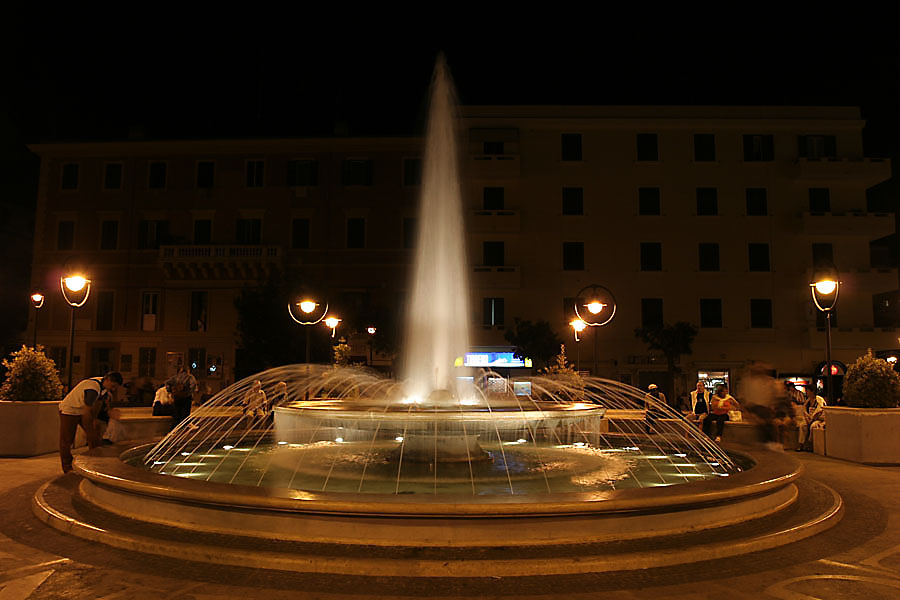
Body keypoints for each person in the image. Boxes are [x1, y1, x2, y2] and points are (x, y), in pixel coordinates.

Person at [58, 372, 123, 473]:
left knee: (94, 436)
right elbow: (86, 411)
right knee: (67, 440)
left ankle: (94, 461)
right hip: (69, 410)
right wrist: (91, 424)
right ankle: (67, 467)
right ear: (108, 380)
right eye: (113, 386)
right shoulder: (92, 389)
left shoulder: (104, 388)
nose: (113, 389)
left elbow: (98, 405)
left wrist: (95, 420)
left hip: (82, 410)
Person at [165, 366, 198, 430]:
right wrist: (189, 392)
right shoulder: (190, 377)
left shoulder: (175, 377)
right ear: (188, 371)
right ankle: (186, 424)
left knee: (177, 413)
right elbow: (193, 385)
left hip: (177, 396)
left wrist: (170, 390)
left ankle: (173, 429)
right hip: (186, 397)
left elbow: (167, 383)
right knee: (186, 412)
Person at [797, 385, 826, 451]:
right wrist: (807, 418)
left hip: (819, 419)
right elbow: (804, 409)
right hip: (809, 419)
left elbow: (819, 411)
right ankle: (801, 444)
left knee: (812, 426)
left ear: (812, 391)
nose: (806, 392)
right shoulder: (808, 400)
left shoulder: (819, 399)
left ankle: (810, 444)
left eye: (808, 391)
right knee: (802, 425)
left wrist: (812, 419)